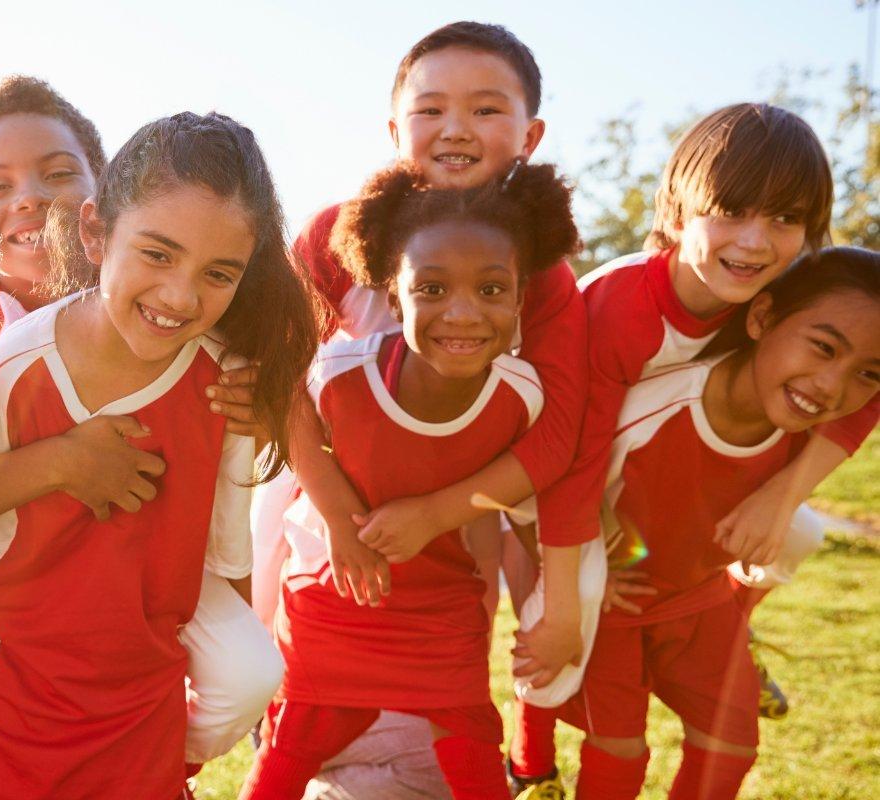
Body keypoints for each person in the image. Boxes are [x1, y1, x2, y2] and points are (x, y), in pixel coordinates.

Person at [0, 78, 285, 799]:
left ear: (92, 192)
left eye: (55, 173)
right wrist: (62, 460)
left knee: (249, 673)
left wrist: (265, 408)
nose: (29, 198)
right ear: (96, 231)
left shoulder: (205, 346)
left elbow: (224, 529)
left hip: (140, 575)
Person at [509, 103, 876, 794]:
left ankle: (735, 629)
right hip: (545, 477)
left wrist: (780, 494)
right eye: (731, 210)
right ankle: (529, 762)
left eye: (785, 219)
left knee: (798, 531)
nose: (755, 240)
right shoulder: (623, 310)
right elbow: (573, 463)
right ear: (677, 211)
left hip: (640, 477)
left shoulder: (774, 292)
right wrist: (565, 595)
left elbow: (871, 374)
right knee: (565, 629)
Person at [242, 160, 579, 800]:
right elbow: (286, 403)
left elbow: (529, 475)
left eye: (490, 290)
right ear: (394, 297)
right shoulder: (345, 371)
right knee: (291, 746)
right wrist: (341, 520)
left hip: (441, 610)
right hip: (337, 597)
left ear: (518, 299)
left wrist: (437, 514)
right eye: (432, 289)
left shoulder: (519, 396)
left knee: (475, 756)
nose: (462, 313)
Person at [558, 247, 880, 799]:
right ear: (761, 318)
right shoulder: (658, 406)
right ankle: (531, 762)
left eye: (867, 373)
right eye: (823, 348)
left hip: (698, 598)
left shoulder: (810, 425)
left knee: (732, 744)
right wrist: (589, 567)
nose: (831, 386)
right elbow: (560, 485)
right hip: (613, 601)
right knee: (618, 751)